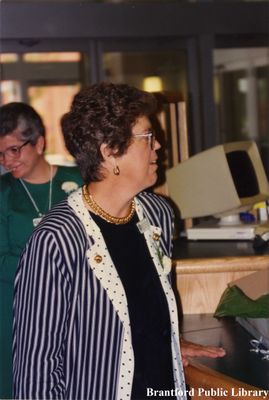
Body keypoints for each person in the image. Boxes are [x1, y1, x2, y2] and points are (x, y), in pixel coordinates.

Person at [12, 83, 225, 400]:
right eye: (148, 137)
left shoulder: (157, 214)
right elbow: (36, 372)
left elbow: (136, 313)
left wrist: (168, 339)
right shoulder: (56, 240)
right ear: (110, 151)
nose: (158, 147)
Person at [0, 102, 83, 399]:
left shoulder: (81, 183)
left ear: (39, 142)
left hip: (76, 309)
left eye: (14, 150)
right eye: (0, 153)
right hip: (14, 311)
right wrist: (48, 270)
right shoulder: (2, 192)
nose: (7, 161)